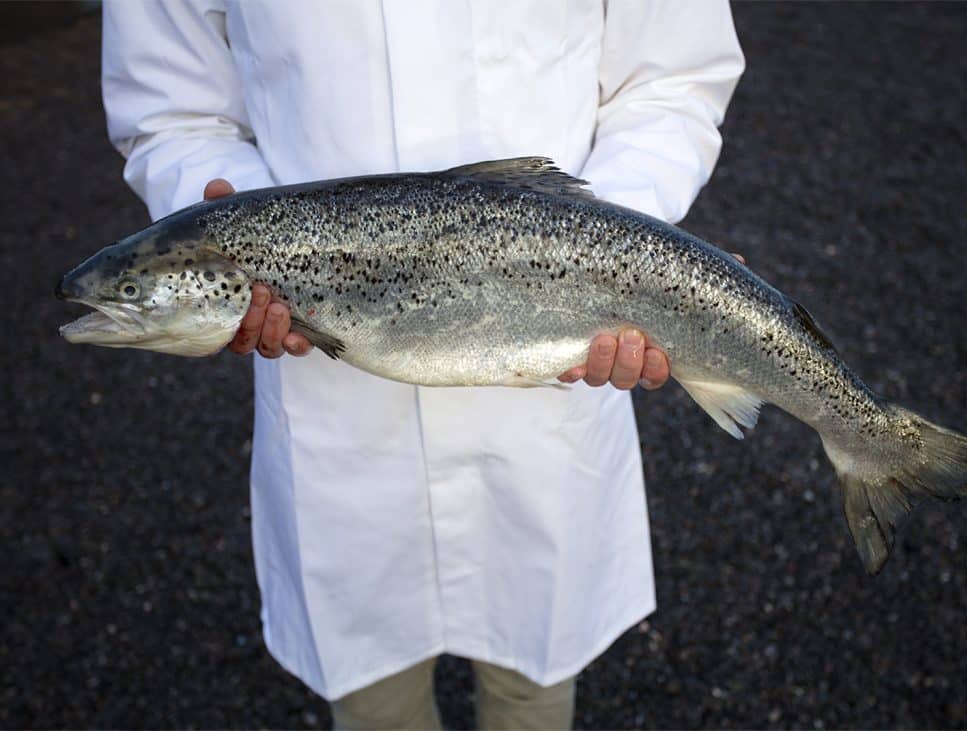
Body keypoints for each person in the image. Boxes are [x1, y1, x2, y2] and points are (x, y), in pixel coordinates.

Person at [102, 2, 744, 727]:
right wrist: (226, 215)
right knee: (377, 702)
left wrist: (609, 263)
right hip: (336, 421)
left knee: (532, 686)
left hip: (552, 392)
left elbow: (671, 79)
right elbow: (173, 108)